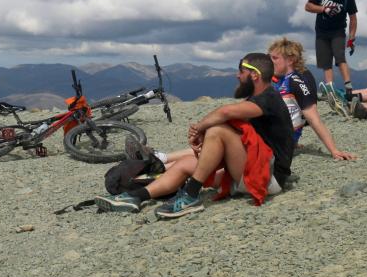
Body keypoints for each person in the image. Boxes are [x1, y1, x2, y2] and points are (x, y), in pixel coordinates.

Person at [95, 53, 294, 219]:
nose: (237, 76)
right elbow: (240, 135)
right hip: (252, 168)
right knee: (185, 164)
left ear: (254, 75)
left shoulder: (269, 98)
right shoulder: (258, 99)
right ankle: (135, 196)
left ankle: (190, 197)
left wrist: (200, 129)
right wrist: (207, 145)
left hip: (269, 178)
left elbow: (225, 113)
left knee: (218, 130)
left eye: (241, 72)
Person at [267, 38, 357, 161]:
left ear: (290, 59)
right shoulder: (283, 76)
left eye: (274, 58)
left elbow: (313, 118)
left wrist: (334, 150)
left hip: (277, 144)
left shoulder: (297, 81)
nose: (269, 61)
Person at [305, 0, 358, 112]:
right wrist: (324, 9)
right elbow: (308, 6)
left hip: (338, 31)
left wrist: (352, 37)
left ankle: (348, 87)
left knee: (340, 57)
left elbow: (353, 18)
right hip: (321, 32)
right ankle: (330, 89)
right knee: (325, 62)